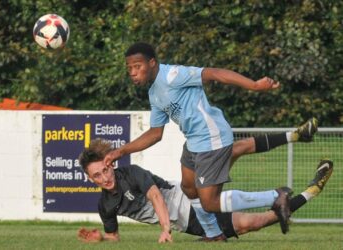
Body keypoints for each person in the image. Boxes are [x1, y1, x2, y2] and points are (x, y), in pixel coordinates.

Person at [103, 41, 319, 237]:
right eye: (129, 68)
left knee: (210, 202)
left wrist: (254, 85)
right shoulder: (154, 93)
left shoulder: (173, 75)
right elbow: (155, 133)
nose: (132, 72)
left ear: (152, 63)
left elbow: (214, 73)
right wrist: (120, 152)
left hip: (210, 137)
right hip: (194, 142)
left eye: (137, 66)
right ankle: (213, 234)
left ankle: (276, 196)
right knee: (188, 187)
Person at [77, 139, 333, 243]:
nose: (104, 178)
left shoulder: (130, 173)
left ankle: (277, 192)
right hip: (188, 224)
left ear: (111, 165)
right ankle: (310, 191)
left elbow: (156, 196)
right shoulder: (105, 206)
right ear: (90, 179)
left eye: (105, 170)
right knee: (254, 223)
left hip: (189, 198)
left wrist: (164, 227)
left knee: (227, 163)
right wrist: (101, 238)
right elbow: (114, 237)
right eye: (96, 176)